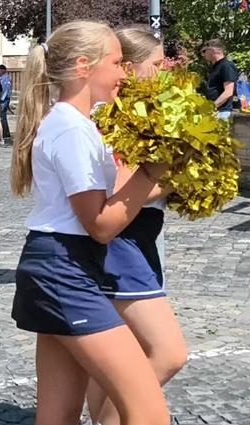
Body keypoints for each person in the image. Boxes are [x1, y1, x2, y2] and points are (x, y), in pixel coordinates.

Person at [9, 21, 170, 424]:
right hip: (64, 269)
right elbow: (100, 223)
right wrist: (154, 173)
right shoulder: (72, 129)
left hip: (60, 265)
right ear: (84, 67)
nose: (123, 72)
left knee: (58, 416)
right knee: (148, 412)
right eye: (116, 63)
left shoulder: (72, 123)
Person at [84, 25, 187, 425]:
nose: (163, 73)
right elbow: (123, 192)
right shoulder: (111, 117)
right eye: (156, 65)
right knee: (168, 352)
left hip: (141, 238)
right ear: (127, 67)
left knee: (118, 353)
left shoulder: (136, 112)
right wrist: (178, 176)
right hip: (122, 242)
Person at [201, 39, 239, 120]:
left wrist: (212, 107)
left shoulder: (226, 66)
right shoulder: (216, 67)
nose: (203, 54)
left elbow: (228, 92)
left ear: (212, 50)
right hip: (215, 112)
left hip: (221, 113)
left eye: (204, 51)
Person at [0, 65, 13, 140]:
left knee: (2, 117)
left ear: (1, 70)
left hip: (3, 99)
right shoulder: (4, 78)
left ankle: (4, 133)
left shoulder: (5, 79)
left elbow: (5, 90)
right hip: (4, 99)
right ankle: (4, 132)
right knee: (2, 116)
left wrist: (1, 99)